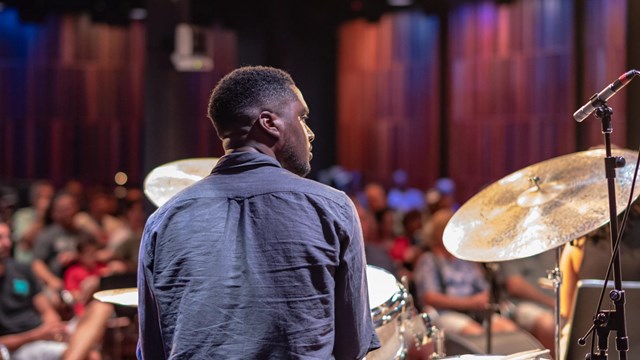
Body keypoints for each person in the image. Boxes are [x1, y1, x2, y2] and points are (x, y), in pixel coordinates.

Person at [137, 66, 380, 359]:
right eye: (301, 118)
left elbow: (153, 350)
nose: (310, 133)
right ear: (269, 123)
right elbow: (351, 346)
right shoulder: (331, 208)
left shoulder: (163, 222)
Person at [413, 209, 517, 335]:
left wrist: (483, 298)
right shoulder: (429, 260)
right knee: (477, 335)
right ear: (439, 234)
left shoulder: (464, 259)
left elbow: (483, 287)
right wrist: (469, 303)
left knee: (510, 331)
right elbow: (430, 297)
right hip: (446, 314)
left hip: (475, 312)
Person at [0, 220, 68, 359]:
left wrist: (53, 329)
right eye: (0, 238)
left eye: (8, 237)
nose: (7, 243)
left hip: (44, 336)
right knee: (83, 352)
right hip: (18, 348)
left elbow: (47, 310)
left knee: (99, 309)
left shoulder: (21, 269)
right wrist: (37, 335)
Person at [500, 249, 556, 357]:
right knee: (547, 324)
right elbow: (515, 286)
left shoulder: (552, 248)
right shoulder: (510, 251)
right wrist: (550, 302)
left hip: (555, 303)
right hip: (522, 304)